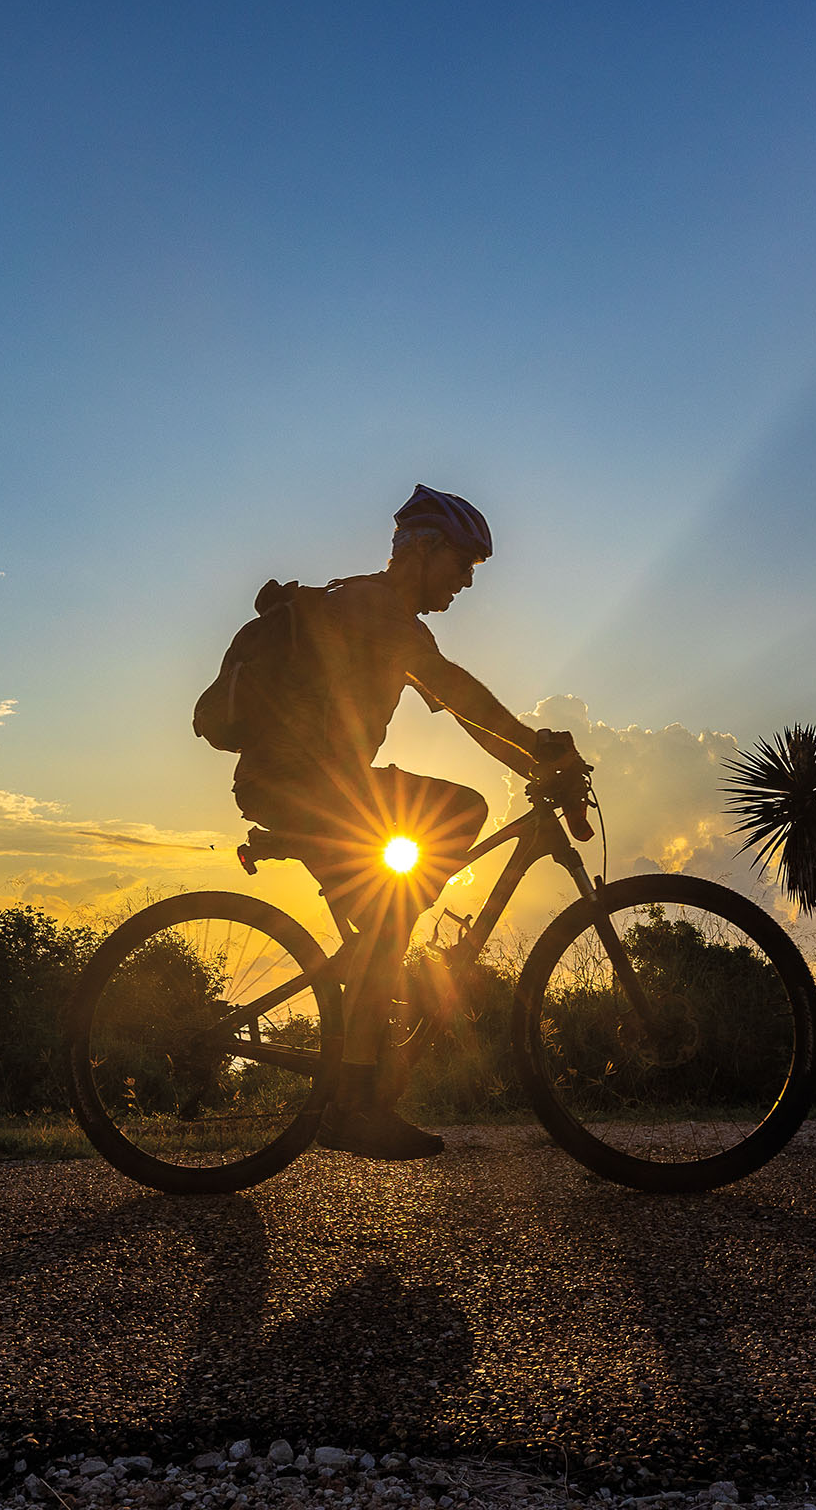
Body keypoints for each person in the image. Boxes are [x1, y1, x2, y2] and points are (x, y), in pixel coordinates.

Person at [227, 484, 574, 1160]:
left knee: (391, 918)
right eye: (463, 565)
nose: (467, 582)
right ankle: (354, 1103)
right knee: (456, 821)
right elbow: (459, 693)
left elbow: (464, 708)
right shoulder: (375, 610)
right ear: (425, 548)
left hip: (313, 787)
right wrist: (536, 749)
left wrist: (532, 756)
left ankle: (373, 997)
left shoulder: (370, 610)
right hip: (304, 786)